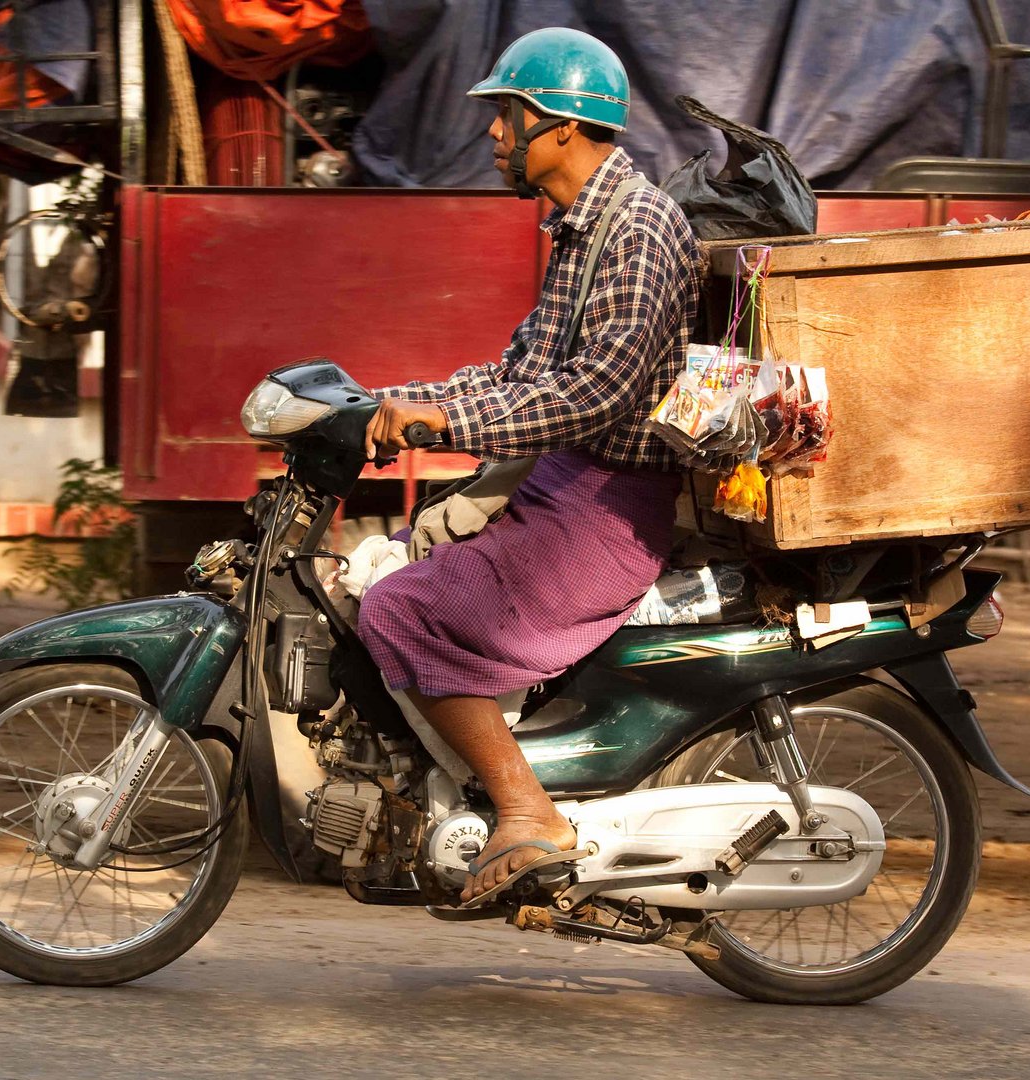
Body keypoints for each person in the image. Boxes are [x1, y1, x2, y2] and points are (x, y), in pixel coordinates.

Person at [358, 26, 699, 905]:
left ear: (558, 124)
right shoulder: (579, 229)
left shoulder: (640, 230)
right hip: (558, 486)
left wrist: (447, 419)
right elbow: (521, 372)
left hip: (606, 510)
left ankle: (526, 811)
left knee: (400, 608)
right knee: (375, 570)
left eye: (507, 116)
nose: (494, 135)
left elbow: (596, 394)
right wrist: (393, 400)